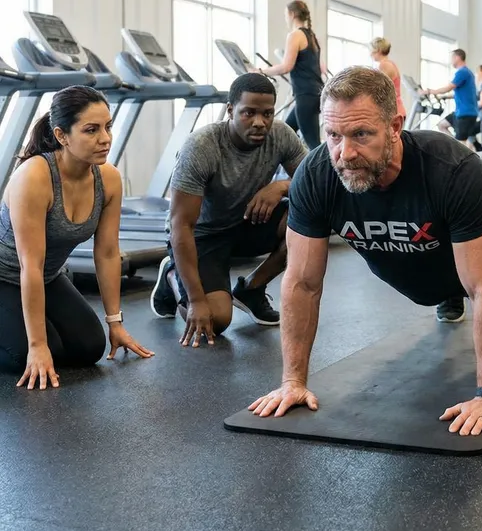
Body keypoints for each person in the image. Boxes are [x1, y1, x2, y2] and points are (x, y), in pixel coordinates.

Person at [246, 67, 482, 438]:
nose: (345, 153)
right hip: (414, 268)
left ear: (395, 126)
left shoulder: (452, 170)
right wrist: (292, 380)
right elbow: (302, 283)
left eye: (361, 134)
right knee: (433, 289)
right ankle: (446, 293)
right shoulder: (317, 175)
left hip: (471, 257)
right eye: (333, 135)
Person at [0, 86, 153, 390]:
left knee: (88, 347)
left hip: (47, 276)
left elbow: (108, 252)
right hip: (5, 274)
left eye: (108, 127)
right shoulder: (34, 177)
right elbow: (30, 264)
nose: (105, 138)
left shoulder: (107, 178)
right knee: (30, 355)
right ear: (61, 135)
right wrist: (37, 345)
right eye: (91, 130)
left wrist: (116, 323)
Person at [149, 73, 307, 348]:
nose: (260, 122)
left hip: (245, 222)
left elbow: (315, 182)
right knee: (216, 321)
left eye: (267, 113)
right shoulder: (201, 147)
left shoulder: (281, 135)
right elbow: (181, 226)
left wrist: (280, 186)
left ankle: (251, 289)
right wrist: (197, 300)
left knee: (308, 219)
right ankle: (173, 275)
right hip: (202, 235)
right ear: (231, 110)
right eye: (249, 113)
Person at [260, 0, 326, 149]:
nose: (285, 18)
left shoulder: (295, 35)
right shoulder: (311, 36)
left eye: (285, 14)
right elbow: (322, 67)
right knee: (285, 133)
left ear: (291, 14)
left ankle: (329, 172)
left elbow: (286, 67)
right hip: (315, 93)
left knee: (314, 145)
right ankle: (294, 169)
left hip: (306, 95)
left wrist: (261, 71)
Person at [425, 49, 478, 148]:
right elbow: (462, 92)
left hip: (465, 113)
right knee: (442, 125)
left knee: (462, 144)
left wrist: (430, 91)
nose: (451, 61)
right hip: (460, 112)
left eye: (452, 58)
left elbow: (448, 87)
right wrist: (444, 97)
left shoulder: (462, 72)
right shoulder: (467, 72)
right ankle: (455, 145)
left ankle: (460, 151)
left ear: (457, 57)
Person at [370, 37, 406, 125]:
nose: (370, 54)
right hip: (396, 110)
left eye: (371, 50)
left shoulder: (384, 65)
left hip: (393, 112)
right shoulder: (390, 64)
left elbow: (377, 89)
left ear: (378, 50)